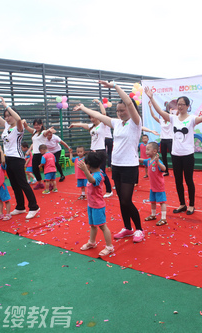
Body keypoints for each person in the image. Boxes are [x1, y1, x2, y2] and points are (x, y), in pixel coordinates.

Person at [73, 80, 144, 243]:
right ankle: (127, 228)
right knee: (121, 199)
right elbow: (98, 116)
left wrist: (115, 86)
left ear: (129, 109)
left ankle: (139, 229)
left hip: (129, 166)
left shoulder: (135, 123)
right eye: (117, 111)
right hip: (117, 165)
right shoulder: (117, 123)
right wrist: (83, 107)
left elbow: (128, 102)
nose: (119, 113)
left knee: (127, 200)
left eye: (122, 110)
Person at [145, 87, 202, 215]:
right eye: (178, 104)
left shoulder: (192, 118)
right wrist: (151, 98)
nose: (180, 106)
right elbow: (160, 112)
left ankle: (191, 205)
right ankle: (182, 204)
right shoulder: (173, 118)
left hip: (187, 154)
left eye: (183, 104)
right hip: (176, 154)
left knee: (188, 180)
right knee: (178, 181)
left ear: (188, 106)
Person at [0, 96, 40, 219]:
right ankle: (20, 207)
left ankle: (34, 207)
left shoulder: (19, 127)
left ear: (13, 114)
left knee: (23, 184)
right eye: (5, 116)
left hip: (17, 159)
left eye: (8, 115)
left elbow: (17, 118)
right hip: (7, 159)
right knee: (14, 184)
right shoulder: (6, 126)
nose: (6, 118)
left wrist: (5, 105)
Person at [78, 151, 114, 257]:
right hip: (91, 205)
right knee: (93, 225)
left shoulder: (99, 175)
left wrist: (85, 170)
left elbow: (92, 180)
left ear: (88, 165)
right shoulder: (95, 172)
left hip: (98, 206)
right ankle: (92, 242)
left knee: (102, 226)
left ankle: (109, 246)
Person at [69, 115, 113, 198]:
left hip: (100, 150)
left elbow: (103, 113)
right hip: (92, 150)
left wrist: (99, 103)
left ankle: (109, 190)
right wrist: (74, 124)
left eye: (93, 117)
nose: (92, 119)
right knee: (91, 170)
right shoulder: (91, 126)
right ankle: (94, 188)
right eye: (91, 118)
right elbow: (82, 124)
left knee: (101, 172)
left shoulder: (102, 124)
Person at [140, 142, 168, 226]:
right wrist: (134, 157)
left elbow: (164, 168)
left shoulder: (157, 161)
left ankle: (163, 218)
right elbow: (142, 160)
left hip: (159, 186)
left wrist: (158, 163)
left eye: (148, 150)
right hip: (152, 186)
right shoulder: (148, 160)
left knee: (162, 202)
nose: (146, 151)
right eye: (146, 150)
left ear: (155, 151)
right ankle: (153, 215)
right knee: (152, 201)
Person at [22, 119, 53, 190]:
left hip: (43, 154)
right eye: (35, 125)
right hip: (35, 153)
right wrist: (23, 122)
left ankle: (51, 183)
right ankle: (40, 183)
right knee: (35, 169)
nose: (37, 126)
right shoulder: (34, 132)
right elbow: (26, 127)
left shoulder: (43, 132)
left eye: (38, 125)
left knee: (46, 169)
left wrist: (49, 130)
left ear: (41, 124)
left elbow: (46, 132)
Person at [148, 100, 177, 176]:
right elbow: (153, 116)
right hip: (163, 140)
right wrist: (150, 107)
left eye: (165, 115)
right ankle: (166, 171)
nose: (164, 117)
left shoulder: (172, 121)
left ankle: (176, 171)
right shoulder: (161, 121)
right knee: (163, 156)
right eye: (163, 115)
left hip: (170, 140)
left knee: (173, 156)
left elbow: (177, 115)